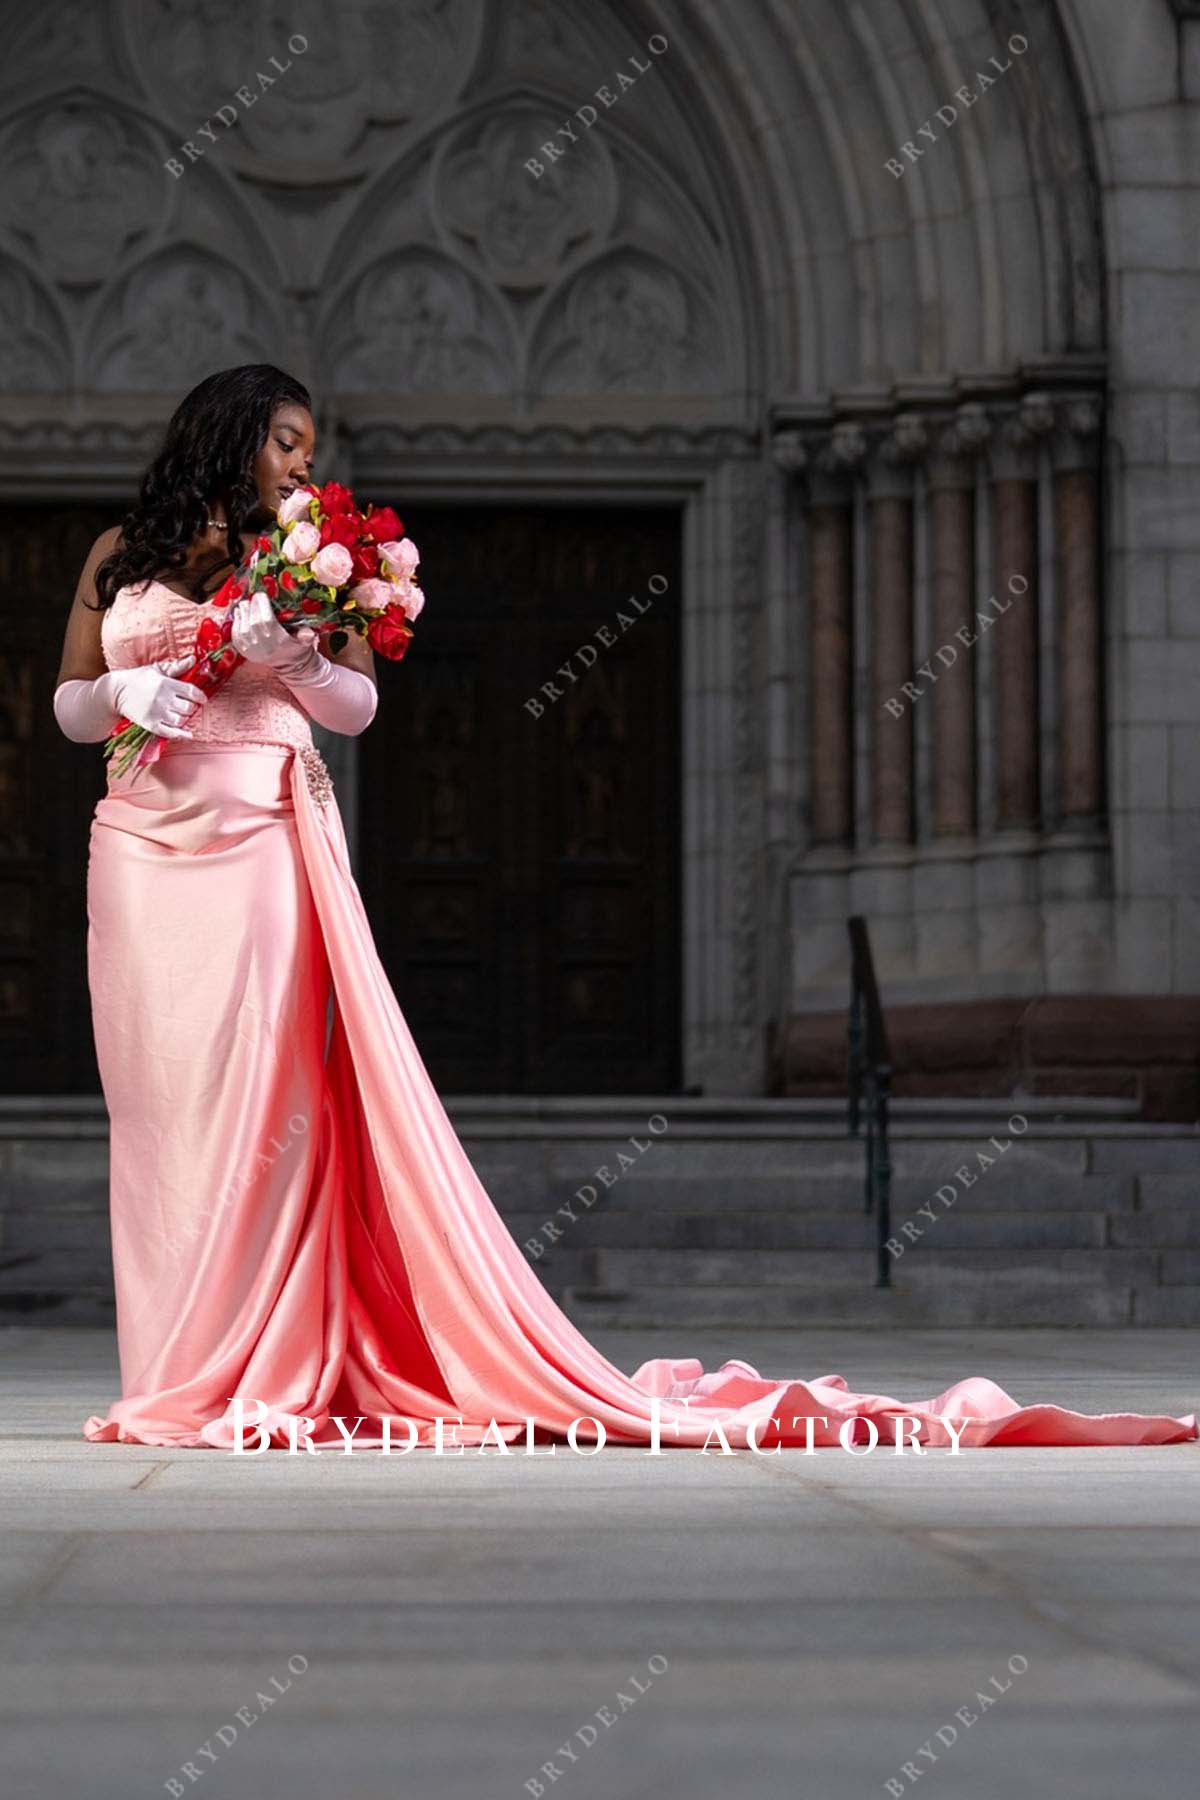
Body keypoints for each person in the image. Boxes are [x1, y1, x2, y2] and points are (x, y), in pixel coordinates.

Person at [54, 364, 1195, 1453]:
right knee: (158, 1112)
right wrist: (120, 691)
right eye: (286, 442)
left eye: (310, 449)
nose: (303, 465)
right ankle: (171, 1369)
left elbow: (355, 707)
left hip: (257, 848)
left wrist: (290, 660)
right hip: (140, 856)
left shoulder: (312, 557)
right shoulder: (122, 554)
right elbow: (66, 702)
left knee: (260, 1104)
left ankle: (255, 1367)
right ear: (227, 434)